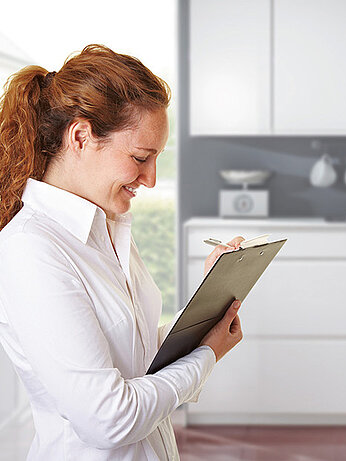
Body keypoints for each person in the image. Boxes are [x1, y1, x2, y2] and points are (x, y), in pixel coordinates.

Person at [0, 44, 243, 460]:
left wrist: (206, 311)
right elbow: (108, 419)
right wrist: (205, 356)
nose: (149, 179)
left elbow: (133, 357)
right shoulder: (32, 250)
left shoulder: (104, 229)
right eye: (140, 157)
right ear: (80, 136)